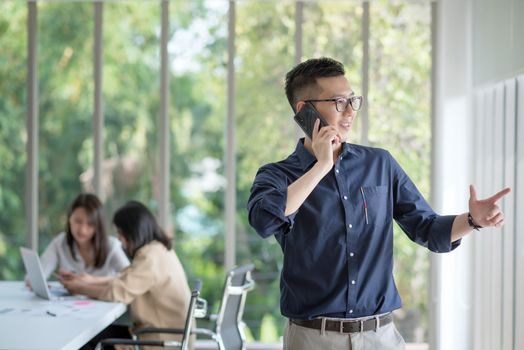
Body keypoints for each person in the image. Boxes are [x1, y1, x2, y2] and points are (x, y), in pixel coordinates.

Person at [246, 57, 511, 350]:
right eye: (338, 102)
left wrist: (472, 220)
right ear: (303, 109)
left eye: (352, 100)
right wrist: (321, 166)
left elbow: (427, 228)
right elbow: (265, 220)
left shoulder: (380, 164)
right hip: (312, 338)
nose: (349, 112)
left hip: (379, 337)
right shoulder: (278, 175)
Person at [60, 200, 193, 350]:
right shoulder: (159, 250)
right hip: (165, 336)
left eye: (120, 233)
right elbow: (127, 278)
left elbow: (118, 291)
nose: (119, 239)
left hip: (159, 342)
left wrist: (80, 288)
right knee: (92, 333)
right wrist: (90, 280)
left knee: (86, 338)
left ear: (132, 232)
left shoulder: (150, 258)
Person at [39, 193, 129, 282]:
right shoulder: (61, 242)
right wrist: (35, 281)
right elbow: (40, 273)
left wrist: (94, 280)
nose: (82, 230)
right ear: (69, 219)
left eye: (90, 224)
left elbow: (130, 278)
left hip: (103, 296)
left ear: (98, 225)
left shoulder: (111, 246)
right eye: (78, 221)